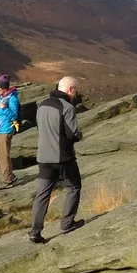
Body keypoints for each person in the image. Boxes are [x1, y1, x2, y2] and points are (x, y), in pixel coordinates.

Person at [29, 76, 86, 242]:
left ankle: (35, 232)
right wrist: (79, 135)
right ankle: (67, 223)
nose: (75, 94)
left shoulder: (42, 104)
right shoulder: (67, 107)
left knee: (42, 195)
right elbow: (72, 134)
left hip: (43, 156)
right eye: (75, 90)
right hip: (62, 157)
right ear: (70, 90)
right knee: (74, 187)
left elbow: (40, 127)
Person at [0, 76, 21, 188]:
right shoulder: (0, 96)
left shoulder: (13, 99)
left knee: (3, 155)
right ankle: (9, 176)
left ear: (4, 88)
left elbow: (14, 116)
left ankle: (7, 181)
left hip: (5, 130)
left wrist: (4, 108)